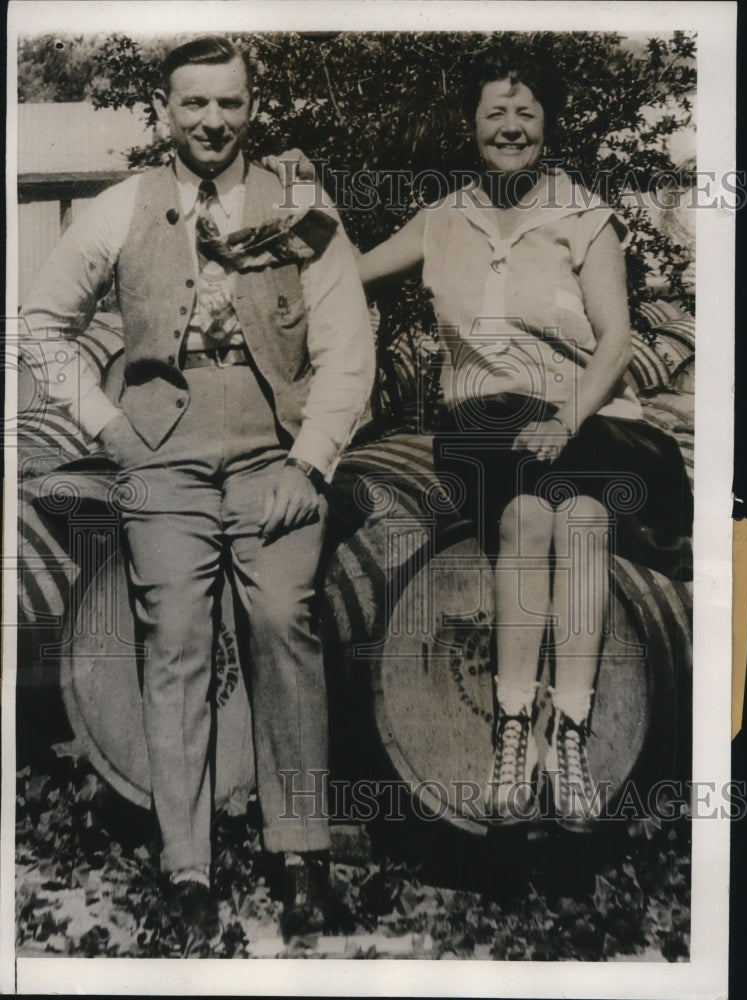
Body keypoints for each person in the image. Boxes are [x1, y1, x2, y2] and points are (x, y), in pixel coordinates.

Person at [268, 46, 692, 832]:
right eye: (495, 113)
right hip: (482, 428)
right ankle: (509, 730)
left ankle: (562, 735)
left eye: (526, 113)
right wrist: (300, 207)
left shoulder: (584, 216)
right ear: (471, 127)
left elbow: (615, 339)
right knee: (528, 508)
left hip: (587, 427)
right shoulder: (442, 218)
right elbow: (345, 272)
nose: (511, 127)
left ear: (548, 127)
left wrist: (565, 418)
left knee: (582, 522)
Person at [21, 36, 374, 940]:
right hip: (161, 462)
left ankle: (301, 859)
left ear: (252, 106)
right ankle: (187, 868)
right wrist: (108, 430)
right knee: (173, 636)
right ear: (164, 111)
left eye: (229, 103)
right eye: (194, 105)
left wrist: (312, 460)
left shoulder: (299, 204)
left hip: (272, 458)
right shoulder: (117, 208)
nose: (212, 121)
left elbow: (346, 336)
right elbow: (41, 324)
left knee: (280, 623)